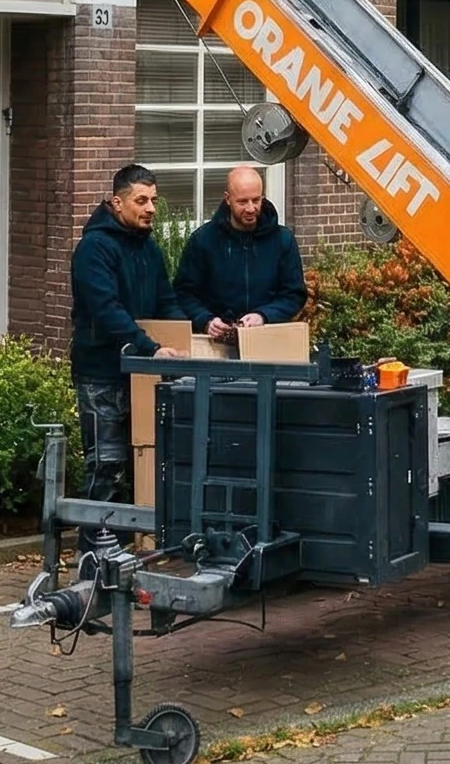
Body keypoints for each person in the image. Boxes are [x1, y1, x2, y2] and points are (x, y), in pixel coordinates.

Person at [69, 164, 185, 549]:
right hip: (102, 373)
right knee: (106, 465)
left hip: (141, 373)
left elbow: (166, 302)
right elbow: (107, 310)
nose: (151, 208)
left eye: (154, 200)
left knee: (143, 464)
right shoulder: (93, 249)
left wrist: (187, 340)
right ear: (116, 203)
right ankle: (94, 554)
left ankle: (124, 550)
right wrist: (150, 347)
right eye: (141, 200)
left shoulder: (148, 248)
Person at [174, 165, 307, 340]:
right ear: (228, 199)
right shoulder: (203, 240)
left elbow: (294, 294)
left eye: (256, 200)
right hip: (216, 342)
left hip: (268, 337)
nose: (251, 208)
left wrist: (264, 316)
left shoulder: (283, 240)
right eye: (242, 202)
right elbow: (183, 293)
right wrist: (205, 320)